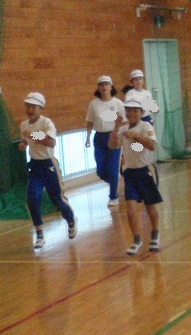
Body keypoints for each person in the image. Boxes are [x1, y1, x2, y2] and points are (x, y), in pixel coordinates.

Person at [19, 91, 77, 252]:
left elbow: (51, 142)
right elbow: (25, 139)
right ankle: (39, 234)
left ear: (41, 108)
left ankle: (71, 219)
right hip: (35, 166)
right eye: (28, 106)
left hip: (49, 165)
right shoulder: (24, 125)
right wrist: (23, 144)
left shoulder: (47, 123)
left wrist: (33, 135)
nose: (30, 110)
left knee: (57, 198)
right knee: (32, 197)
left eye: (34, 107)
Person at [115, 96, 162, 254]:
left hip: (145, 170)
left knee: (150, 207)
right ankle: (136, 239)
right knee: (130, 209)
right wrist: (116, 128)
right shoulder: (123, 128)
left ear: (141, 113)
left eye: (135, 110)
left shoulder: (146, 126)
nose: (131, 113)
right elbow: (113, 145)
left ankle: (155, 234)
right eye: (128, 110)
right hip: (130, 173)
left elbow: (152, 145)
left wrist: (136, 136)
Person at [85, 76, 126, 208]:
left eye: (106, 84)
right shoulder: (93, 104)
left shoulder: (118, 103)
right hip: (99, 138)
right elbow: (90, 121)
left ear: (111, 87)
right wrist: (88, 137)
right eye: (101, 84)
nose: (104, 87)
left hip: (114, 136)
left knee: (113, 168)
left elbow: (125, 121)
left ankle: (113, 196)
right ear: (98, 88)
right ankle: (115, 180)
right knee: (101, 170)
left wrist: (121, 134)